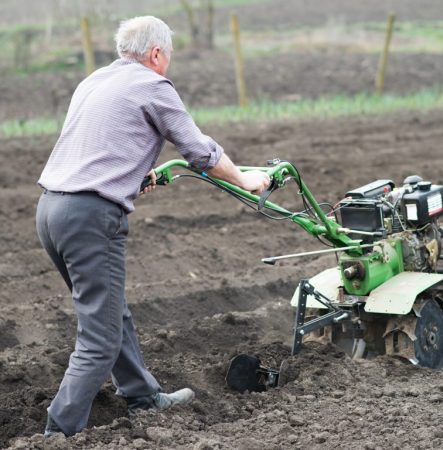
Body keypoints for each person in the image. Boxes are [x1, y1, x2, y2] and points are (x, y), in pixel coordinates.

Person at [35, 16, 270, 437]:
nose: (169, 63)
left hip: (51, 210)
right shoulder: (153, 85)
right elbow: (200, 152)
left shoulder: (94, 81)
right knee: (100, 336)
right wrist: (248, 180)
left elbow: (100, 143)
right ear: (156, 53)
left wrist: (130, 175)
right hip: (90, 217)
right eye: (170, 55)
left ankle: (142, 394)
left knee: (109, 311)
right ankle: (58, 433)